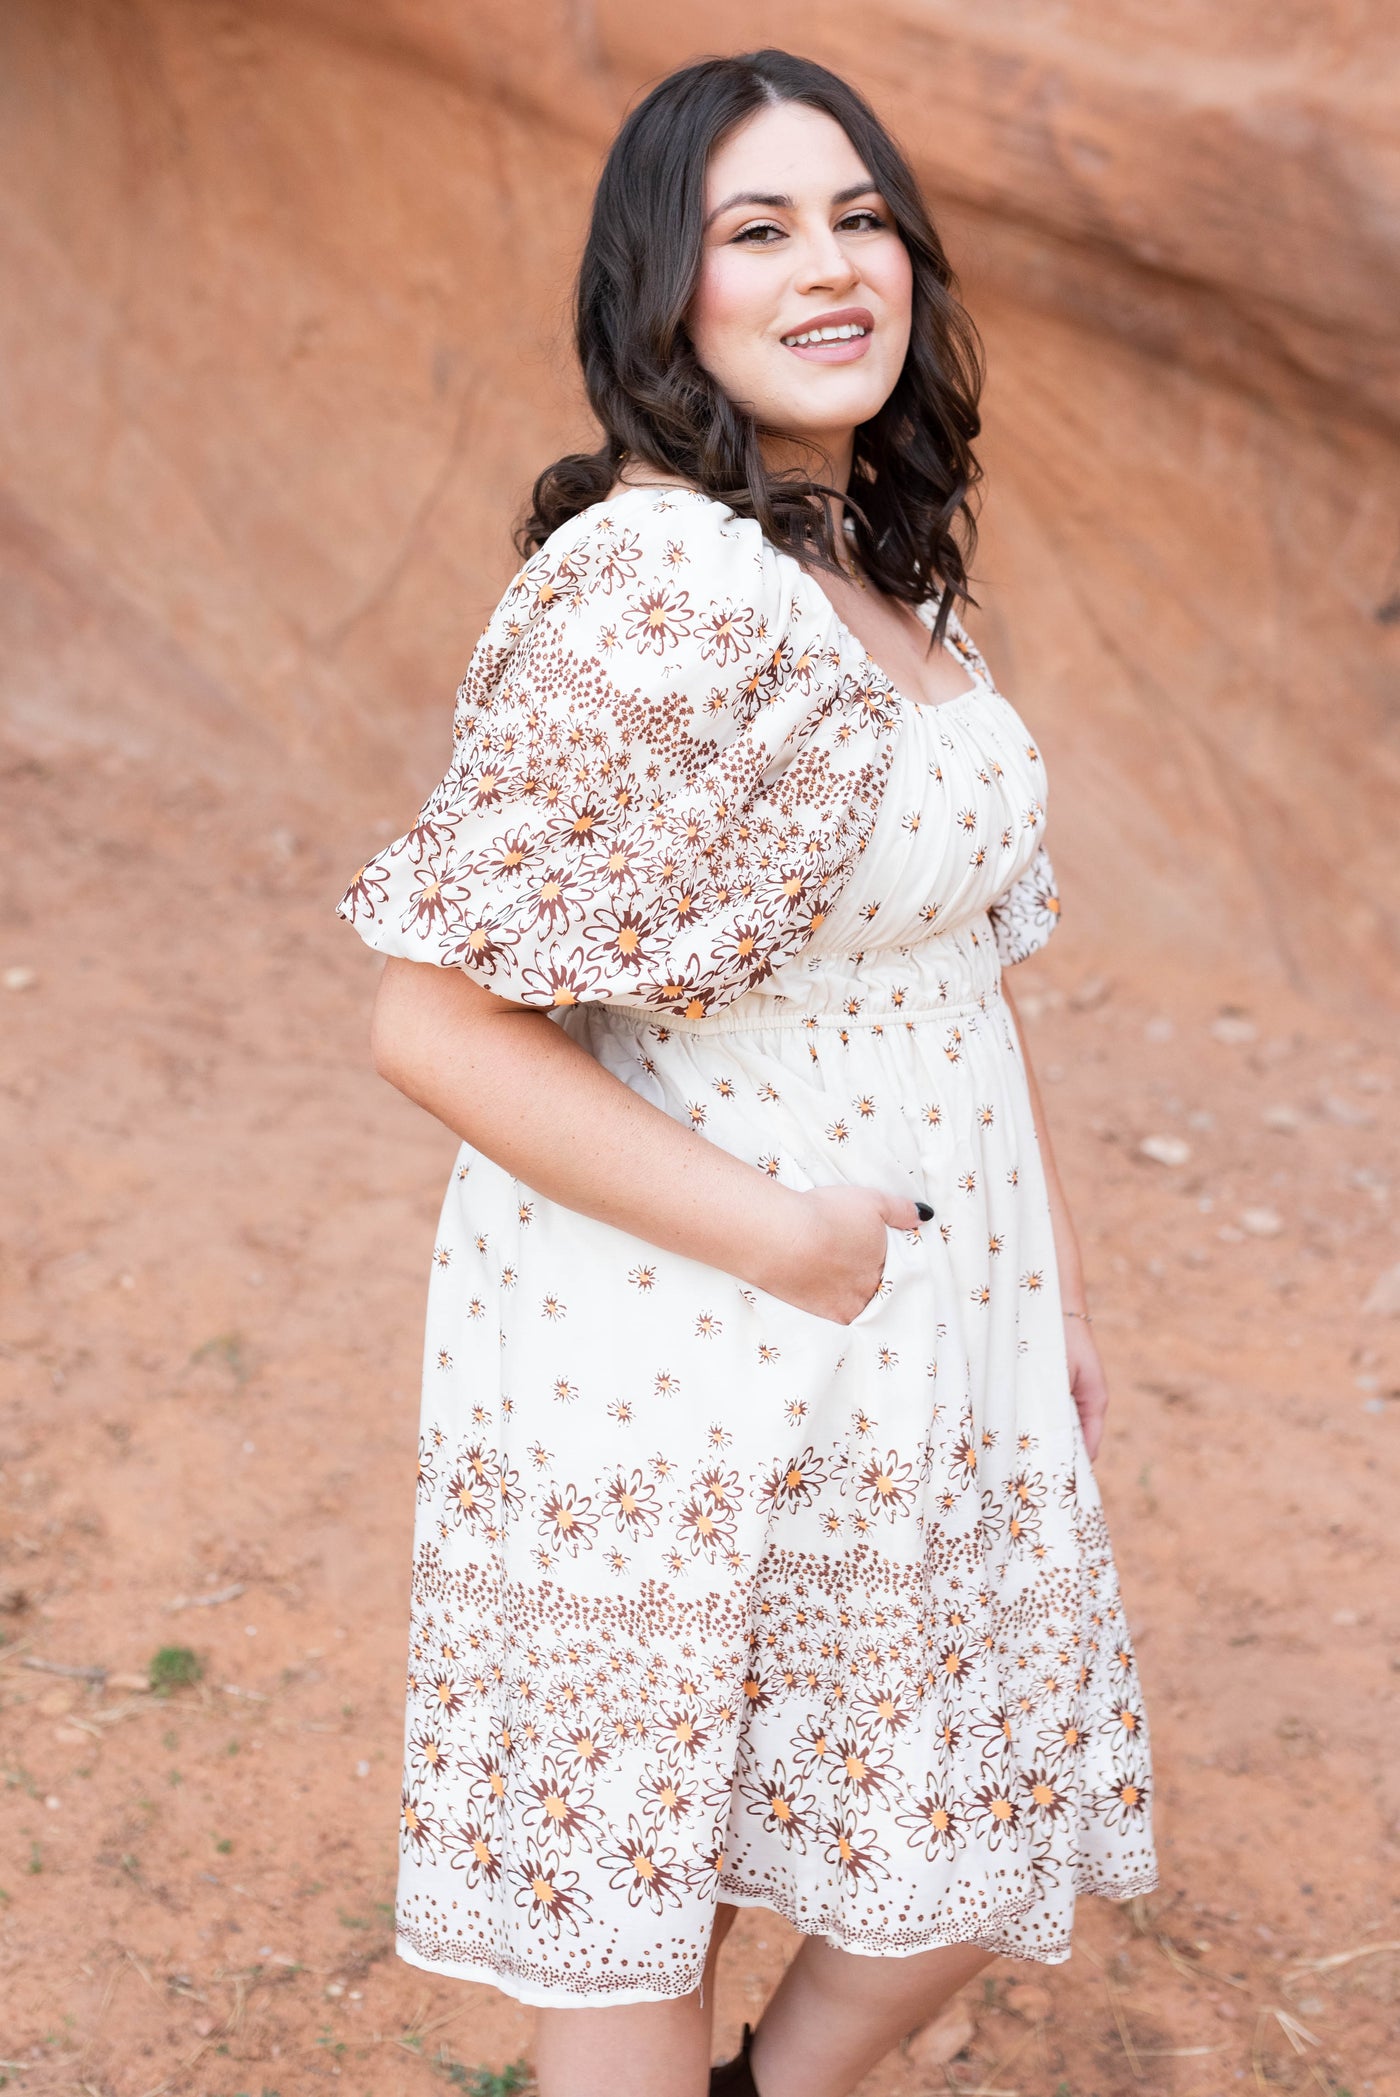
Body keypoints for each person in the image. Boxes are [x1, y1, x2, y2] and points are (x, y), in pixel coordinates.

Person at [335, 48, 1158, 2097]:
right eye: (756, 228)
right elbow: (427, 1018)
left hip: (915, 1328)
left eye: (859, 215)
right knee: (656, 1882)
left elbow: (969, 971)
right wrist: (783, 1238)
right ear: (661, 295)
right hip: (679, 1331)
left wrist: (1045, 1294)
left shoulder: (886, 573)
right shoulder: (656, 585)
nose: (829, 264)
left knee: (963, 1827)